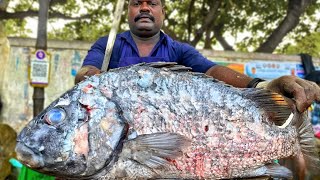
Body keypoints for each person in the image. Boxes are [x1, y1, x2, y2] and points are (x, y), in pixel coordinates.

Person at [75, 0, 320, 113]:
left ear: (163, 12)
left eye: (152, 3)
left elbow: (211, 70)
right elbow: (88, 72)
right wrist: (89, 77)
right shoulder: (108, 46)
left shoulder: (180, 50)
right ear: (129, 12)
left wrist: (262, 86)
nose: (145, 7)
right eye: (137, 3)